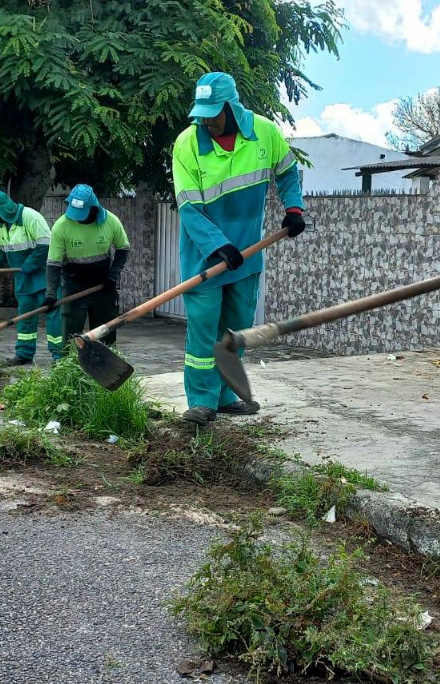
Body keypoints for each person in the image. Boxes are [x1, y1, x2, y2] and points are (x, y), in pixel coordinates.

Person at [170, 71, 306, 425]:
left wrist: (294, 209)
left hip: (247, 256)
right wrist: (218, 246)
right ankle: (201, 401)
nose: (206, 120)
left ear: (231, 107)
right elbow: (189, 209)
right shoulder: (187, 144)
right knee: (203, 333)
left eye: (213, 112)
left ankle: (226, 395)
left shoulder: (264, 132)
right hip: (205, 258)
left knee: (235, 332)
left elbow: (289, 172)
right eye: (201, 113)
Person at [0, 190, 61, 364]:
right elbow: (4, 253)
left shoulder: (31, 217)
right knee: (25, 317)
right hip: (23, 280)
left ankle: (59, 355)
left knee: (53, 315)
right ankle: (24, 353)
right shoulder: (3, 226)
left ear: (2, 209)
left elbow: (45, 247)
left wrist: (29, 265)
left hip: (43, 278)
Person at [44, 184, 130, 348]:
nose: (77, 217)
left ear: (93, 208)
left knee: (106, 333)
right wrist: (50, 294)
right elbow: (53, 263)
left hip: (103, 285)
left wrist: (113, 275)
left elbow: (123, 248)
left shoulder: (110, 221)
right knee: (70, 335)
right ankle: (68, 367)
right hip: (73, 285)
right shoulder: (61, 226)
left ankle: (105, 368)